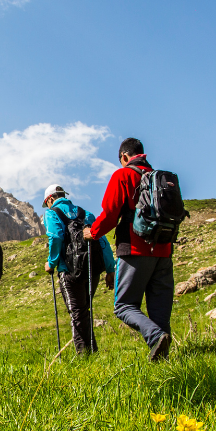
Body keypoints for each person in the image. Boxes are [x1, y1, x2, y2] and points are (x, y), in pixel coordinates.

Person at [83, 138, 176, 361]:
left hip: (134, 248)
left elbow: (110, 213)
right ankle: (164, 363)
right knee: (159, 311)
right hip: (163, 250)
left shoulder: (123, 175)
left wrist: (93, 233)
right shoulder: (158, 177)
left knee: (123, 305)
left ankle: (155, 337)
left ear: (125, 156)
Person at [42, 184, 115, 354]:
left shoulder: (52, 213)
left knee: (77, 313)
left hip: (69, 270)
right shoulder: (85, 213)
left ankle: (84, 355)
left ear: (50, 199)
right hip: (91, 269)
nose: (47, 206)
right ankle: (92, 352)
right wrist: (110, 269)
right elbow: (102, 240)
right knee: (84, 311)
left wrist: (51, 263)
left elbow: (56, 237)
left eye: (47, 203)